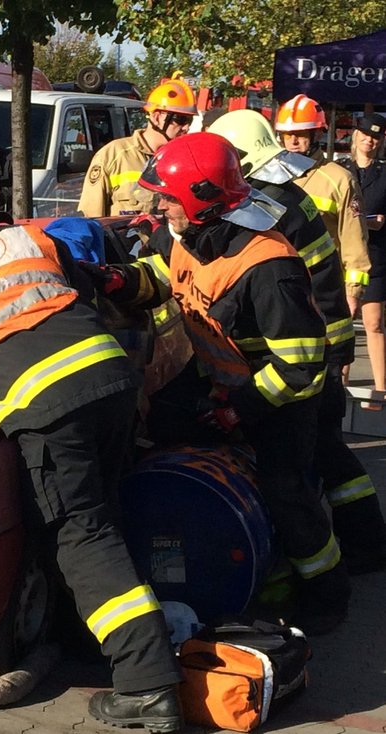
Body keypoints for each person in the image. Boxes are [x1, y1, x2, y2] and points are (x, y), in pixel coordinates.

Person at [0, 187, 184, 733]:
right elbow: (94, 286)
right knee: (101, 521)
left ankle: (148, 684)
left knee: (83, 536)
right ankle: (90, 640)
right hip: (113, 382)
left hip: (50, 410)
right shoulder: (34, 239)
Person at [94, 132, 351, 635]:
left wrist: (240, 410)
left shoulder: (269, 266)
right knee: (159, 429)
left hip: (278, 399)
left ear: (201, 201)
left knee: (287, 492)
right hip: (219, 380)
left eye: (168, 197)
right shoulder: (188, 233)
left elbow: (301, 366)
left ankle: (326, 592)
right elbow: (167, 273)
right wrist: (118, 280)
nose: (159, 205)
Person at [208, 110, 386, 574]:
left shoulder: (264, 205)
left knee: (292, 471)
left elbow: (264, 281)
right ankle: (368, 543)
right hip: (326, 339)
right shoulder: (288, 194)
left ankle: (326, 575)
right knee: (332, 452)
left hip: (305, 349)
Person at [274, 94, 371, 308]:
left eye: (300, 134)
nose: (293, 141)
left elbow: (354, 239)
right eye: (287, 134)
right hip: (274, 283)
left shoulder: (339, 179)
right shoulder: (269, 174)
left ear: (317, 132)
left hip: (321, 286)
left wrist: (353, 292)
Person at [77, 76, 196, 218]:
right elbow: (91, 219)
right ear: (156, 117)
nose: (187, 127)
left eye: (189, 120)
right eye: (180, 119)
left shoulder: (184, 161)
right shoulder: (113, 155)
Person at [341, 113, 386, 396]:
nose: (369, 139)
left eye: (376, 136)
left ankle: (381, 391)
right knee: (344, 319)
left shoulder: (384, 172)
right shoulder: (340, 170)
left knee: (374, 322)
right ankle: (338, 384)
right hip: (345, 256)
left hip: (376, 255)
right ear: (355, 136)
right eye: (365, 134)